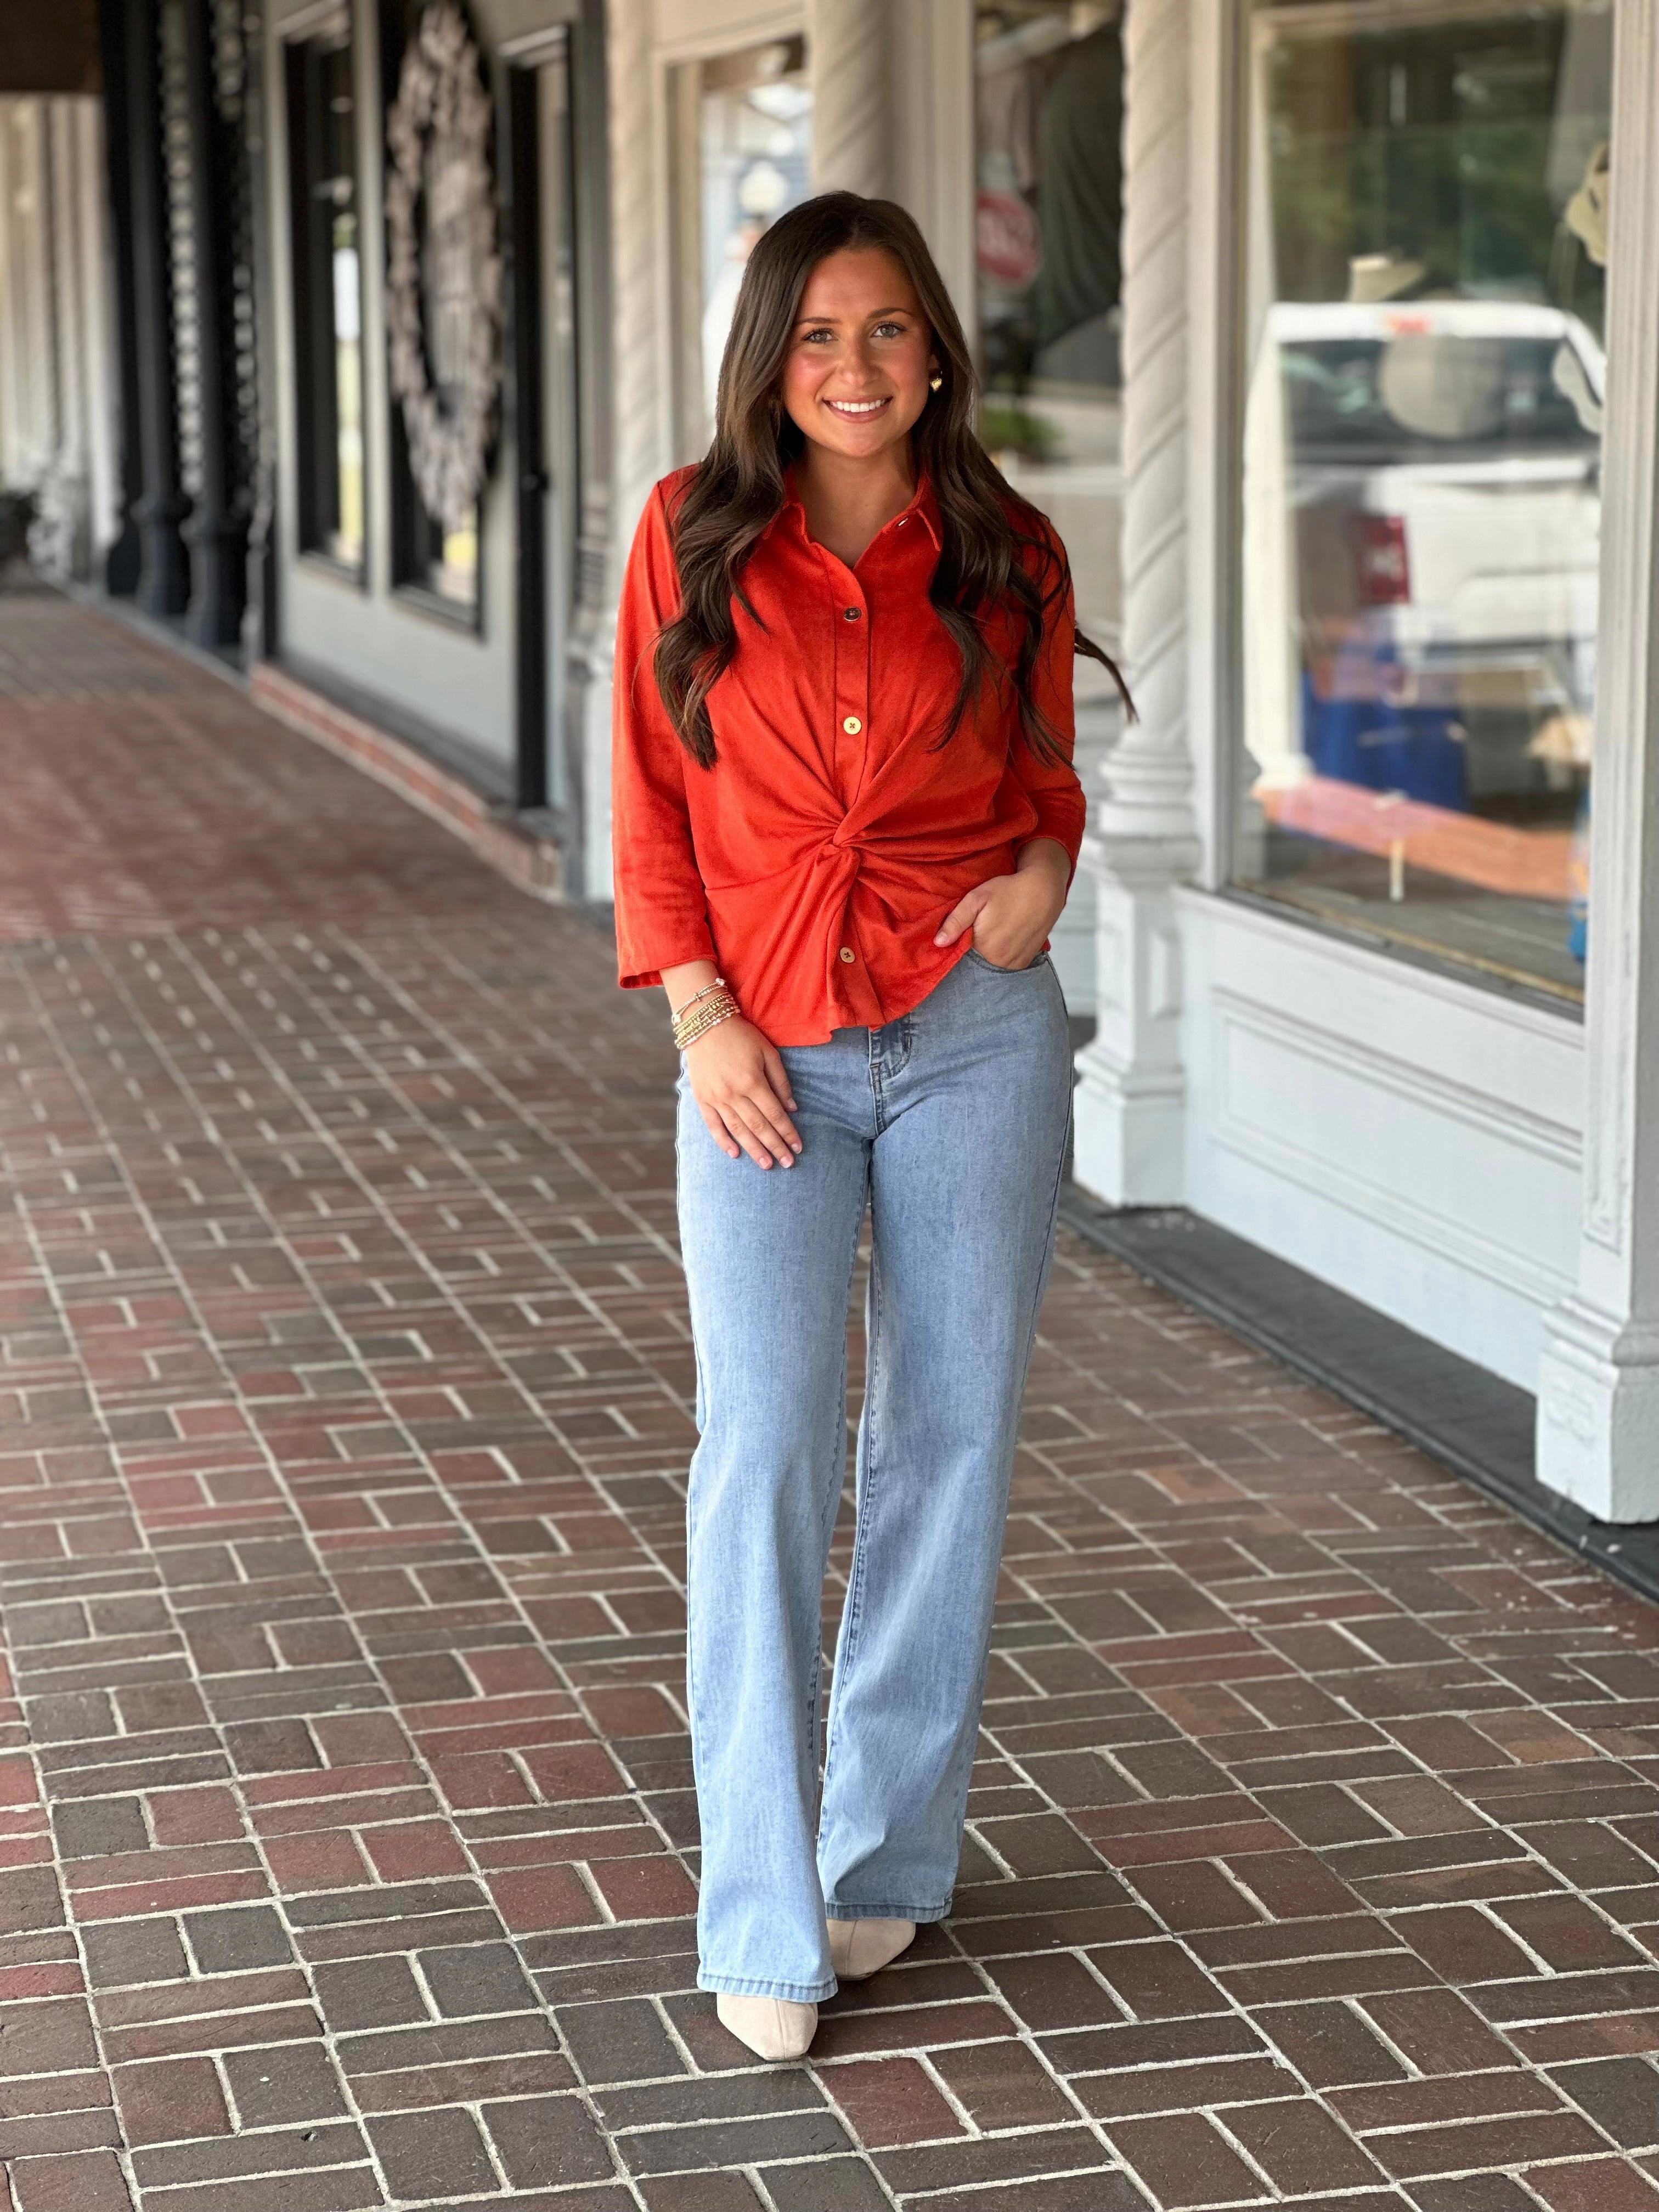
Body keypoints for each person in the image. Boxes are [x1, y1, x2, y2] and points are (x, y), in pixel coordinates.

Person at [611, 191, 1127, 2062]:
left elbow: (1049, 776)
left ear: (938, 351)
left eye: (891, 331)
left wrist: (1042, 878)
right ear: (772, 354)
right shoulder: (688, 536)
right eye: (821, 335)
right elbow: (652, 806)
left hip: (975, 1036)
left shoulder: (1006, 547)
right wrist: (699, 1019)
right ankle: (759, 1905)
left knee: (946, 1443)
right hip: (764, 1053)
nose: (856, 368)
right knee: (757, 1453)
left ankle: (885, 1860)